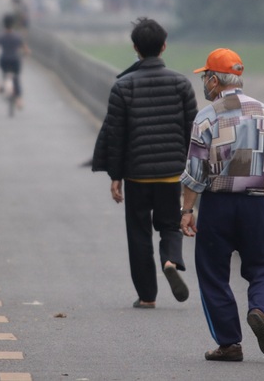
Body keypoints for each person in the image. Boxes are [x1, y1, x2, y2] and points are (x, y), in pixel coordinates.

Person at [179, 47, 264, 363]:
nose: (204, 83)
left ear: (214, 80)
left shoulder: (207, 117)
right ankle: (260, 311)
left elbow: (195, 172)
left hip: (217, 206)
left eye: (205, 77)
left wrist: (187, 210)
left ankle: (229, 344)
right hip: (255, 204)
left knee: (213, 273)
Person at [98, 17, 199, 309]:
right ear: (164, 46)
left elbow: (116, 136)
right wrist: (190, 172)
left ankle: (147, 296)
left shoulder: (123, 87)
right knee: (170, 225)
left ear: (135, 48)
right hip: (171, 174)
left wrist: (115, 176)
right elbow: (192, 131)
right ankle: (170, 260)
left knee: (139, 233)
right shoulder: (181, 84)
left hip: (137, 175)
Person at [0, 14, 30, 108]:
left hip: (4, 60)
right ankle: (19, 100)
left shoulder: (0, 37)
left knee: (5, 74)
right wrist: (25, 54)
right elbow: (26, 50)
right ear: (13, 24)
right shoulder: (17, 37)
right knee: (16, 78)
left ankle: (4, 87)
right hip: (15, 60)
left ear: (3, 24)